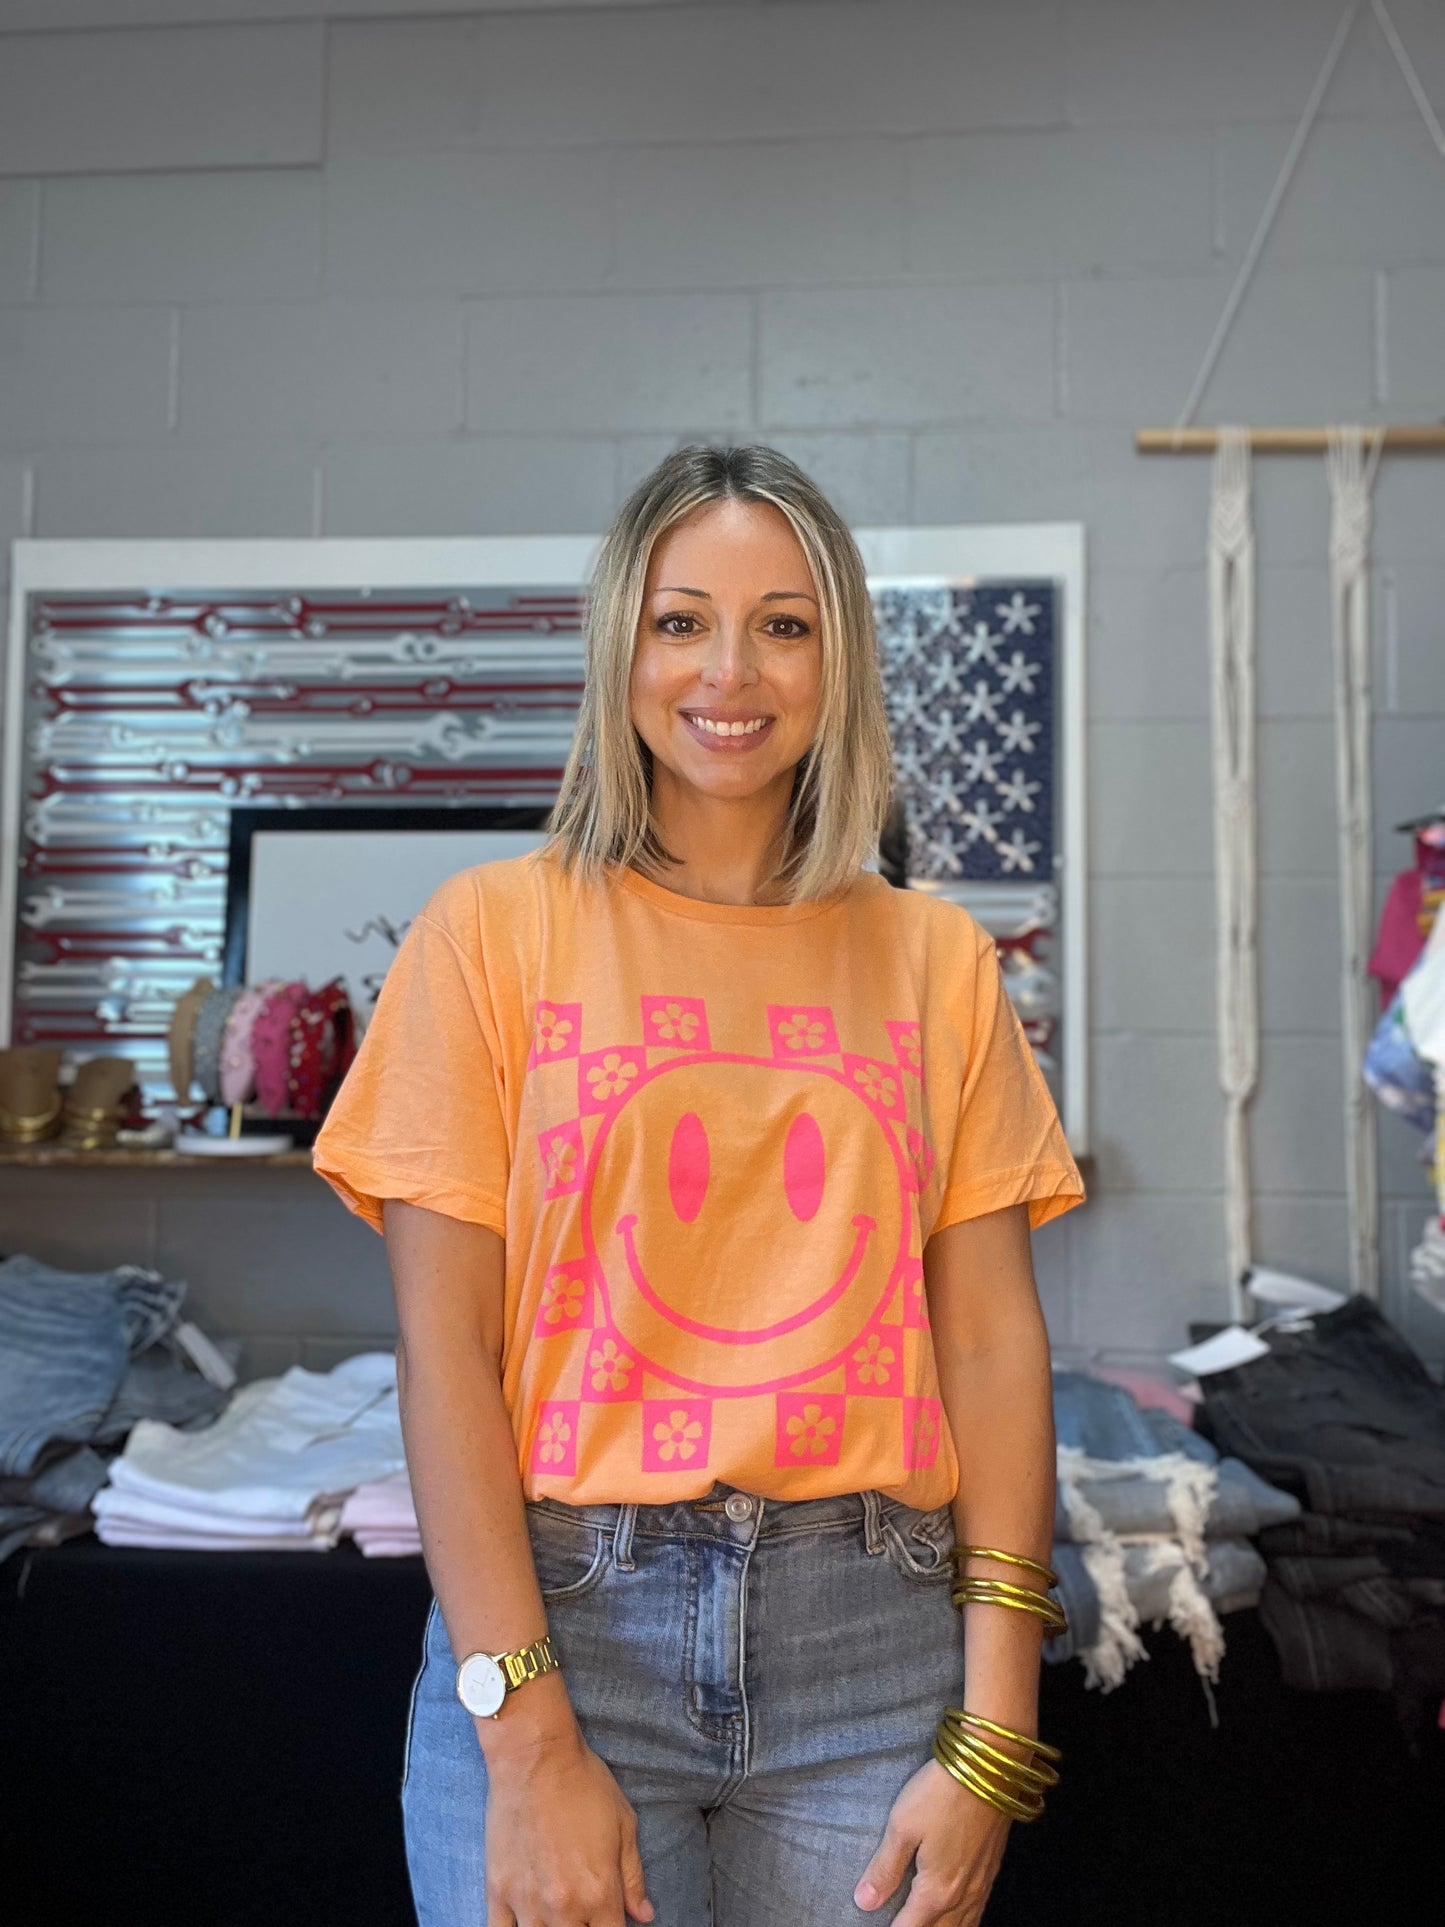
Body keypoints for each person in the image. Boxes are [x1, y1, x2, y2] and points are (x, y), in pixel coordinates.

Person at [315, 444, 1085, 1927]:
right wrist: (528, 1736)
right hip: (559, 1633)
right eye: (681, 620)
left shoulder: (933, 960)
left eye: (784, 624)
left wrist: (995, 1732)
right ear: (622, 644)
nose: (730, 669)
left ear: (837, 658)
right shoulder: (485, 937)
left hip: (872, 1645)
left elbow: (990, 1350)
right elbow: (446, 1358)